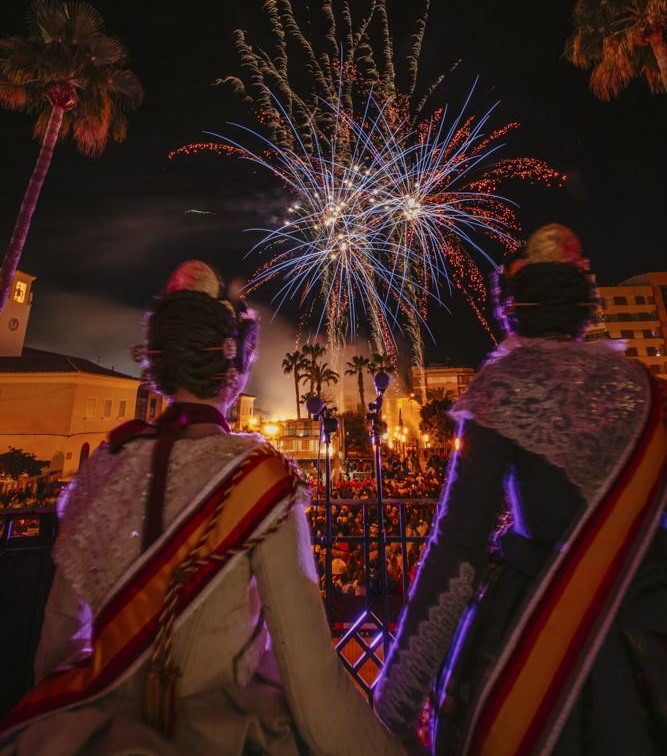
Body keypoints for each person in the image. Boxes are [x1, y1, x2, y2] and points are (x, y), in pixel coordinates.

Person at [0, 261, 404, 756]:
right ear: (233, 367)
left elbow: (59, 642)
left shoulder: (104, 465)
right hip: (222, 733)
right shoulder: (260, 475)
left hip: (89, 732)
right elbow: (311, 677)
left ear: (159, 359)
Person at [374, 225, 667, 755]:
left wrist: (398, 694)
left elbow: (458, 546)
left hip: (539, 638)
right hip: (650, 630)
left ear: (511, 307)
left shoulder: (503, 388)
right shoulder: (645, 390)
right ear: (584, 304)